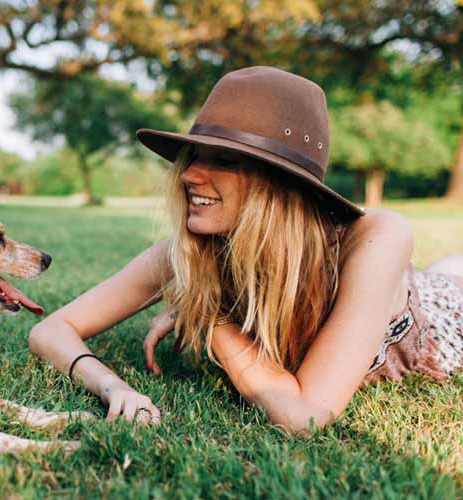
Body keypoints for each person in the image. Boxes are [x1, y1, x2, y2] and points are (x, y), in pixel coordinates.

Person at [28, 66, 463, 433]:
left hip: (443, 305)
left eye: (223, 160)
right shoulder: (190, 252)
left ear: (279, 184)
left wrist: (207, 318)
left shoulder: (376, 235)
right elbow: (50, 330)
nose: (189, 175)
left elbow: (302, 416)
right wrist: (112, 386)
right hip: (391, 289)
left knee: (452, 272)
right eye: (193, 156)